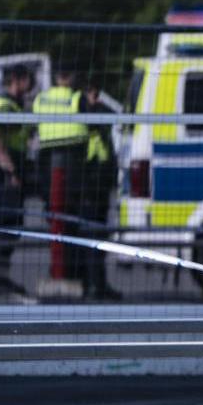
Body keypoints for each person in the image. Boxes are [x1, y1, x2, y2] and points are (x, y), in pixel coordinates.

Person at [33, 65, 88, 292]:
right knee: (70, 218)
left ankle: (58, 269)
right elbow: (88, 124)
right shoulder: (76, 98)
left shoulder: (41, 99)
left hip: (46, 159)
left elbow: (36, 124)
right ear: (71, 76)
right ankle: (68, 270)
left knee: (54, 218)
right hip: (71, 161)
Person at [0, 64, 34, 296]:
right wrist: (10, 172)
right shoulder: (1, 104)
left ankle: (0, 277)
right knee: (6, 225)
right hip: (5, 172)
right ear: (16, 79)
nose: (30, 83)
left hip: (12, 168)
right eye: (27, 79)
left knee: (12, 225)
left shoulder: (12, 104)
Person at [79, 81, 121, 300]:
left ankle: (99, 284)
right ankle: (92, 286)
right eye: (93, 94)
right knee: (90, 239)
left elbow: (116, 113)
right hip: (88, 188)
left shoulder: (99, 116)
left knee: (99, 237)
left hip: (100, 188)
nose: (97, 99)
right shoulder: (83, 115)